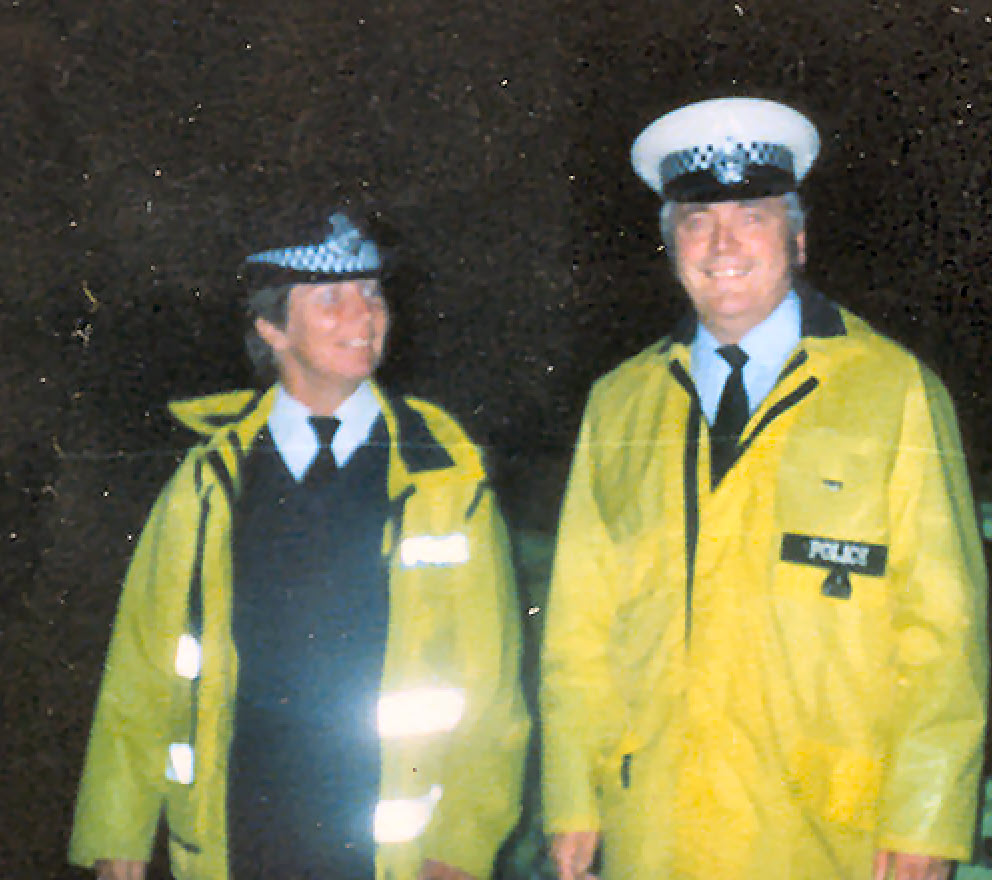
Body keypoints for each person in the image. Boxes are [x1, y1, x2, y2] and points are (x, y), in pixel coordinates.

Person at [540, 97, 988, 880]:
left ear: (798, 239)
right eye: (697, 222)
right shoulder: (620, 403)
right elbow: (580, 627)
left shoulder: (893, 389)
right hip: (655, 827)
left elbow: (945, 633)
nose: (723, 245)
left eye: (752, 217)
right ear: (671, 246)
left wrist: (926, 818)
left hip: (826, 831)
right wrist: (573, 797)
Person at [68, 210, 530, 880]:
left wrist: (461, 845)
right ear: (271, 327)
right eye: (331, 299)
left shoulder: (445, 476)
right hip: (241, 835)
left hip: (384, 852)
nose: (364, 315)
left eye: (371, 293)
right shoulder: (209, 481)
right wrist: (120, 832)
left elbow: (490, 684)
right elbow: (141, 667)